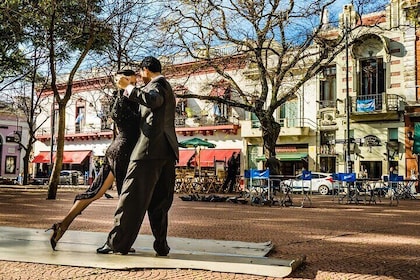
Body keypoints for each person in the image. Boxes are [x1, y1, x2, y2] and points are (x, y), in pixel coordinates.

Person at [47, 69, 140, 250]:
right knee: (126, 199)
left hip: (115, 148)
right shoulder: (128, 100)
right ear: (125, 80)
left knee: (95, 191)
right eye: (132, 81)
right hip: (125, 151)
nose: (136, 84)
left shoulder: (116, 100)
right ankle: (117, 241)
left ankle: (62, 225)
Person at [96, 56, 179, 256]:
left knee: (130, 198)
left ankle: (116, 243)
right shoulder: (168, 87)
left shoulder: (155, 86)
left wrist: (129, 88)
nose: (140, 78)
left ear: (145, 70)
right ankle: (161, 245)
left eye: (140, 74)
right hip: (167, 151)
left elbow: (153, 100)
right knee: (160, 203)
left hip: (148, 152)